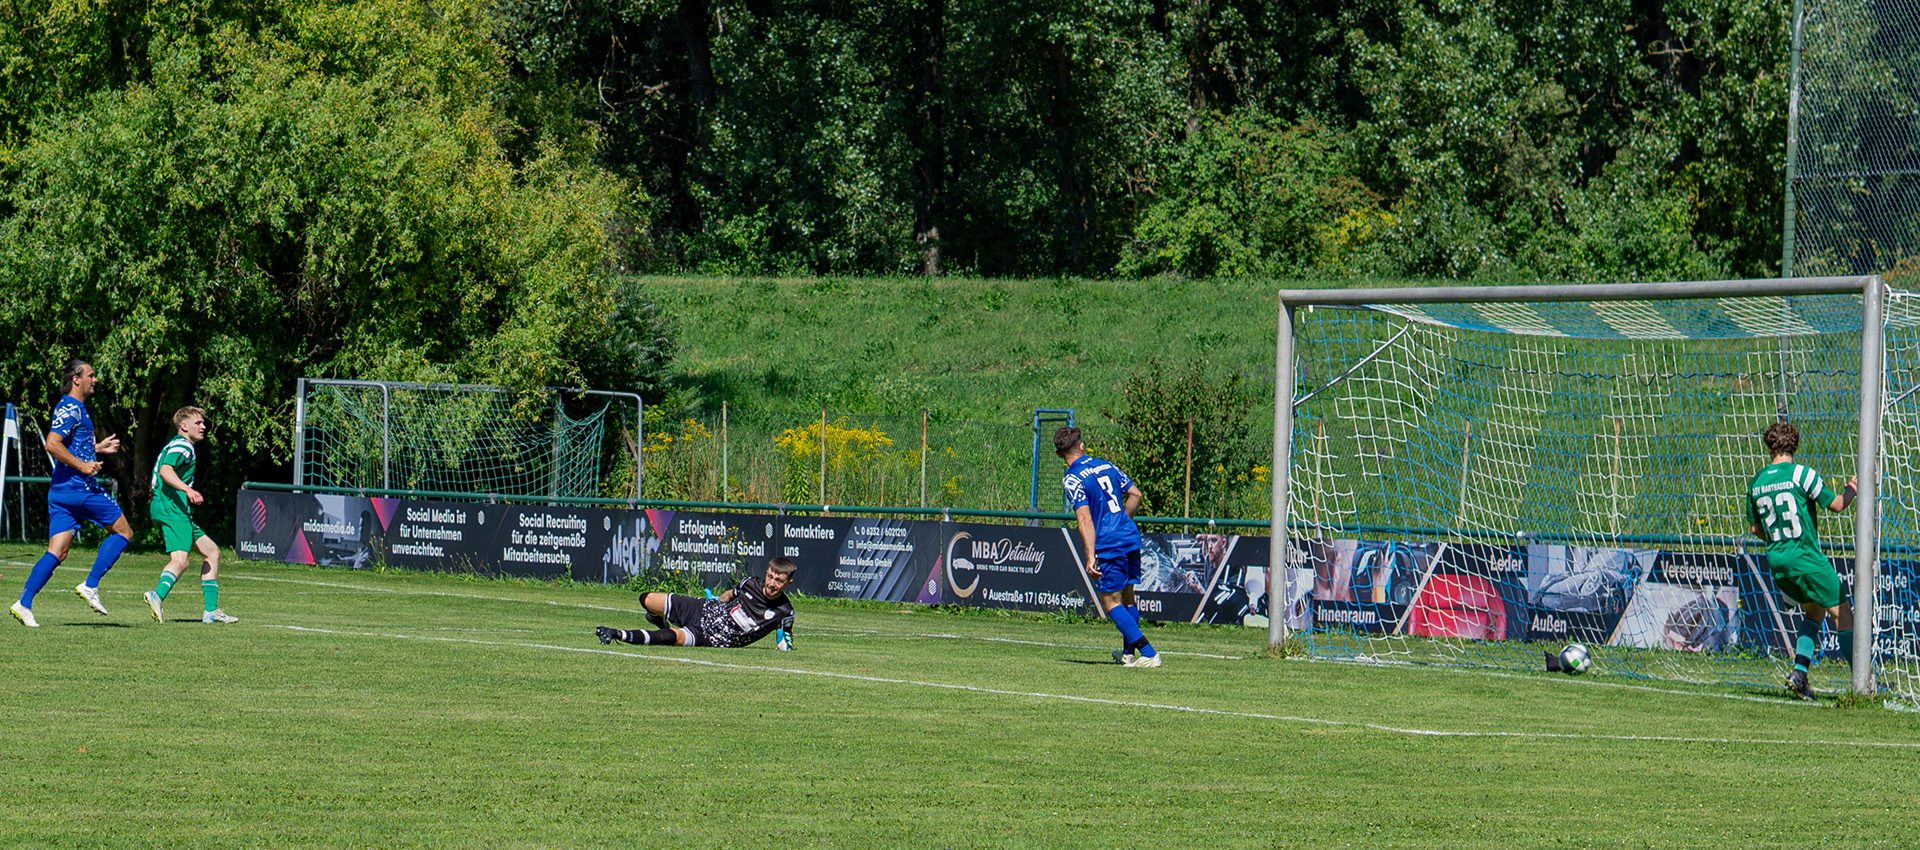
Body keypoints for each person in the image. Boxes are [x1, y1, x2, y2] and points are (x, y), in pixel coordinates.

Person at [11, 360, 133, 628]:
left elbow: (71, 444)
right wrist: (83, 466)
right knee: (124, 532)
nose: (95, 379)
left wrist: (97, 448)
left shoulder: (72, 407)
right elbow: (52, 444)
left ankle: (24, 603)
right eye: (91, 375)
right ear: (76, 379)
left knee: (57, 551)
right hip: (80, 489)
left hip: (60, 492)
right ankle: (91, 585)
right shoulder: (72, 408)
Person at [1746, 420, 1857, 699]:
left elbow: (1755, 528)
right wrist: (1853, 489)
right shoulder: (1802, 474)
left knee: (1815, 612)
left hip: (1777, 560)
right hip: (1805, 557)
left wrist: (1779, 540)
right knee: (1845, 617)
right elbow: (1837, 505)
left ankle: (1799, 674)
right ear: (1795, 445)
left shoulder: (1757, 482)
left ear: (1769, 447)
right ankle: (1863, 683)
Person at [1057, 426, 1160, 667]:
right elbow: (1136, 495)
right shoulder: (1106, 465)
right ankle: (1128, 654)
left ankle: (1148, 653)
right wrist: (1122, 521)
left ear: (1060, 455)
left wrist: (1090, 555)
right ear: (1082, 446)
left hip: (1109, 542)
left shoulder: (1072, 478)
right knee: (1128, 597)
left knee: (1110, 601)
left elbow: (1085, 519)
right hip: (1129, 536)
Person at [142, 406, 237, 624]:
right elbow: (166, 470)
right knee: (181, 560)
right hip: (172, 507)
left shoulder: (178, 444)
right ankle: (157, 595)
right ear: (184, 426)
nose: (203, 427)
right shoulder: (183, 445)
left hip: (171, 507)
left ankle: (211, 611)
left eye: (203, 423)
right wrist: (188, 490)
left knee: (212, 552)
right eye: (198, 423)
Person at [596, 558, 797, 649]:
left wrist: (784, 643)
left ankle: (618, 634)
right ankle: (659, 619)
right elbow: (729, 595)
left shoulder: (785, 612)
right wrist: (716, 600)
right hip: (702, 609)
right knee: (646, 599)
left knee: (670, 638)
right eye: (770, 576)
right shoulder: (750, 583)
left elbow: (786, 641)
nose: (771, 584)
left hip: (710, 638)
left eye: (778, 581)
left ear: (788, 583)